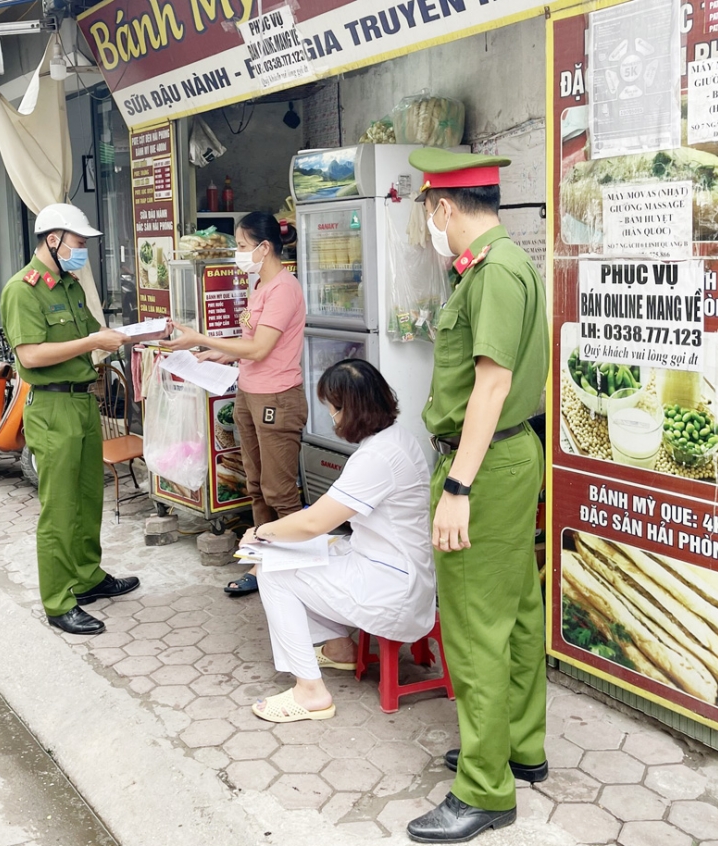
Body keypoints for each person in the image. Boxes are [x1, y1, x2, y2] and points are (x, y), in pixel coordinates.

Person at [404, 149, 549, 844]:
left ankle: (485, 790)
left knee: (473, 626)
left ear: (443, 208)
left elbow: (490, 385)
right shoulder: (508, 263)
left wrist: (457, 485)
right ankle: (517, 746)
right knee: (517, 607)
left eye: (426, 213)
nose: (428, 226)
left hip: (483, 465)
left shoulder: (492, 273)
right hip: (510, 456)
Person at [0, 204, 167, 636]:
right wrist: (92, 340)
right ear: (52, 240)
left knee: (90, 496)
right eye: (77, 244)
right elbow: (30, 355)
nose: (82, 252)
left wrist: (144, 335)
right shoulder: (23, 290)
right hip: (52, 406)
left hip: (83, 402)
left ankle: (88, 577)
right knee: (59, 508)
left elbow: (94, 337)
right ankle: (58, 601)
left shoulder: (70, 286)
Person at [238, 359, 435, 723]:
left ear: (350, 410)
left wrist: (262, 533)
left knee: (274, 573)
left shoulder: (375, 458)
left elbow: (314, 521)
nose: (332, 419)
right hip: (397, 567)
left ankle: (310, 691)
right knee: (314, 552)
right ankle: (340, 646)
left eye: (333, 410)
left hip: (393, 589)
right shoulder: (398, 438)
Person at [168, 212, 307, 597]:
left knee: (280, 491)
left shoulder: (283, 288)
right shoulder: (259, 284)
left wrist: (206, 340)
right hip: (249, 392)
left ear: (264, 248)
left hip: (276, 398)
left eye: (243, 247)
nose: (238, 254)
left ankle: (301, 568)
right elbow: (253, 344)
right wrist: (223, 356)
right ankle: (264, 566)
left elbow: (262, 347)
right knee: (257, 487)